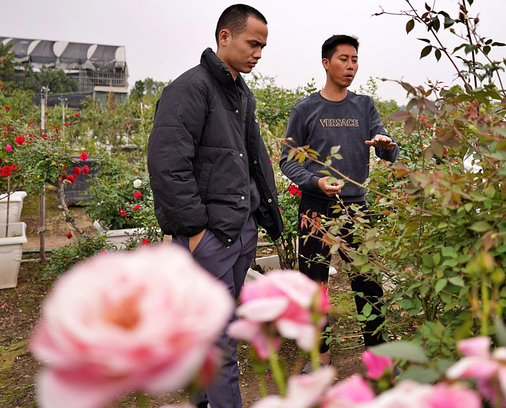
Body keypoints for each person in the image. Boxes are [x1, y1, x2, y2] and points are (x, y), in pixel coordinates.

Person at [147, 4, 282, 408]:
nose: (259, 52)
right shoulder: (191, 88)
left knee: (212, 336)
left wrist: (260, 219)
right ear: (225, 36)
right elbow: (168, 164)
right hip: (209, 237)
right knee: (221, 343)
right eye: (252, 43)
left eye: (264, 46)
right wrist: (194, 231)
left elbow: (251, 158)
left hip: (238, 232)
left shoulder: (240, 92)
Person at [280, 34, 399, 373]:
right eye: (343, 59)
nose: (350, 66)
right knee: (314, 285)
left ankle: (378, 357)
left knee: (368, 283)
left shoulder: (364, 105)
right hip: (315, 209)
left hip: (355, 209)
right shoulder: (305, 109)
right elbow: (288, 160)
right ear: (326, 63)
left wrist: (385, 144)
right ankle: (320, 358)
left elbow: (390, 151)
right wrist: (313, 181)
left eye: (355, 59)